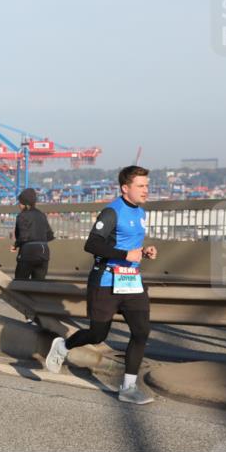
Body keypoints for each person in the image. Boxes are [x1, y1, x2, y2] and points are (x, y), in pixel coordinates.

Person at [45, 166, 157, 405]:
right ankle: (63, 346)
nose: (146, 190)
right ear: (125, 188)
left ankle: (128, 387)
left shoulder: (141, 212)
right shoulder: (111, 212)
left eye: (147, 185)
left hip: (131, 281)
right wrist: (125, 254)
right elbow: (92, 245)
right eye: (141, 186)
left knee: (141, 331)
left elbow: (128, 244)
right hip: (105, 281)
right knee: (98, 334)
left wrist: (143, 252)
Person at [11, 188, 54, 281]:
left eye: (20, 202)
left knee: (20, 282)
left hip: (28, 252)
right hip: (44, 252)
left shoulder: (22, 216)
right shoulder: (42, 215)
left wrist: (15, 245)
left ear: (26, 204)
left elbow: (23, 237)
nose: (19, 205)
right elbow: (50, 235)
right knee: (38, 285)